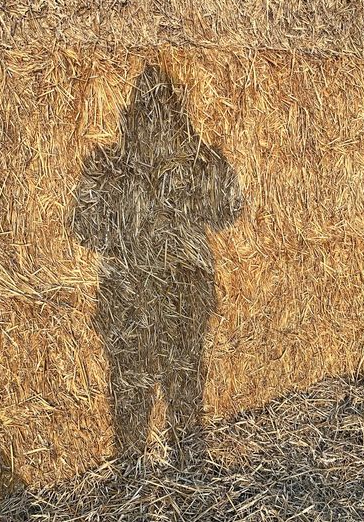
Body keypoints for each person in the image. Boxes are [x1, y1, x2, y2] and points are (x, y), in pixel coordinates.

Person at [72, 64, 242, 463]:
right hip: (164, 286)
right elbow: (228, 210)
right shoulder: (192, 163)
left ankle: (143, 462)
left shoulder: (111, 167)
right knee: (173, 377)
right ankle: (176, 458)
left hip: (142, 287)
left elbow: (86, 230)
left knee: (144, 381)